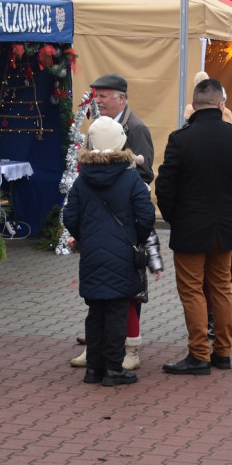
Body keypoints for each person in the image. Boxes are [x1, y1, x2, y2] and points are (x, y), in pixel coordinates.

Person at [156, 79, 232, 374]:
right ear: (221, 104)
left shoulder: (180, 139)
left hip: (189, 227)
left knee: (192, 291)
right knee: (221, 288)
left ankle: (199, 354)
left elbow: (165, 187)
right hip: (224, 226)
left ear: (194, 106)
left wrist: (175, 217)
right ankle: (222, 353)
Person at [71, 72, 156, 370]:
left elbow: (146, 175)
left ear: (122, 98)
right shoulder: (98, 126)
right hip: (99, 229)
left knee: (126, 294)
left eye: (104, 95)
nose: (98, 100)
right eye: (97, 95)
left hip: (124, 227)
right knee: (98, 296)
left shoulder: (135, 127)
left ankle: (125, 348)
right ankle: (99, 347)